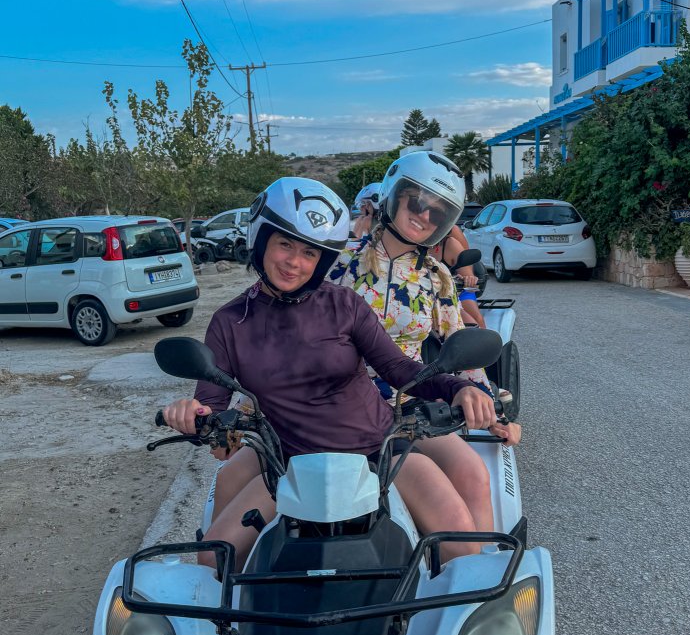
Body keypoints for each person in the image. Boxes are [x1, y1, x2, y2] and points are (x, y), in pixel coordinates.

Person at [160, 177, 496, 569]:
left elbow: (398, 367)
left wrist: (458, 387)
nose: (294, 262)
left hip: (378, 449)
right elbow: (211, 404)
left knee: (462, 545)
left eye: (309, 252)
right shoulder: (229, 322)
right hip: (289, 462)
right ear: (262, 238)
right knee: (214, 557)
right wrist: (191, 414)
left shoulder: (343, 304)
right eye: (285, 244)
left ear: (322, 260)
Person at [329, 152, 521, 544]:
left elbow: (456, 342)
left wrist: (487, 403)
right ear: (394, 197)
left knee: (472, 472)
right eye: (417, 202)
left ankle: (480, 583)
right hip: (337, 404)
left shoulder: (437, 278)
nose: (424, 217)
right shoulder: (338, 265)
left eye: (438, 212)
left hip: (410, 404)